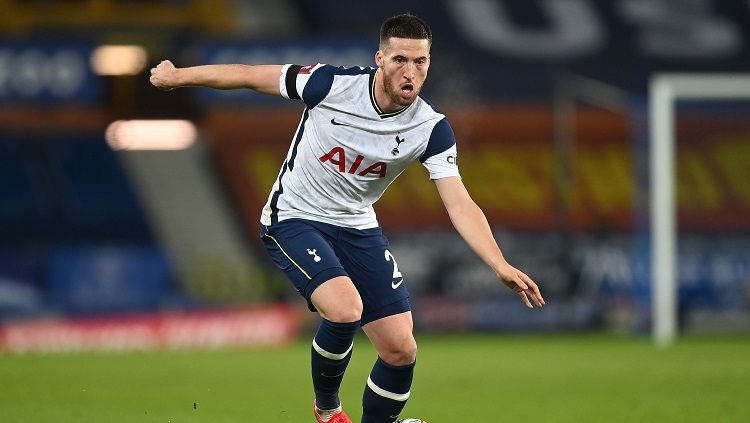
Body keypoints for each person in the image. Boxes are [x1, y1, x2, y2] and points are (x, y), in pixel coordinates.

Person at [150, 13, 545, 423]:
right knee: (344, 309)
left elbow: (459, 202)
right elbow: (249, 74)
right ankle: (327, 411)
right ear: (380, 58)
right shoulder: (330, 85)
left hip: (357, 225)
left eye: (420, 62)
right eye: (399, 60)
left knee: (400, 349)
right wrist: (177, 76)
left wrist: (499, 263)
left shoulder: (431, 128)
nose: (410, 72)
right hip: (294, 217)